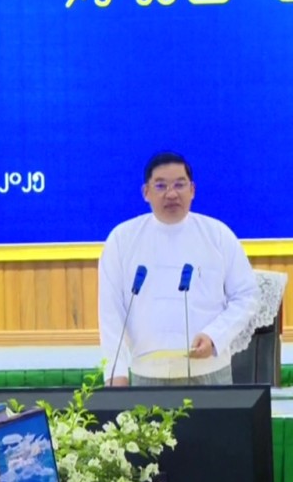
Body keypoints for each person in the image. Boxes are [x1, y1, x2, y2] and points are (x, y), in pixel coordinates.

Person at [98, 151, 260, 386]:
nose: (171, 194)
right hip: (148, 376)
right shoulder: (122, 239)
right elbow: (111, 312)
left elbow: (246, 296)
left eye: (179, 185)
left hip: (210, 372)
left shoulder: (218, 235)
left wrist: (215, 336)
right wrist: (116, 374)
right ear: (146, 193)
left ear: (192, 190)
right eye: (161, 186)